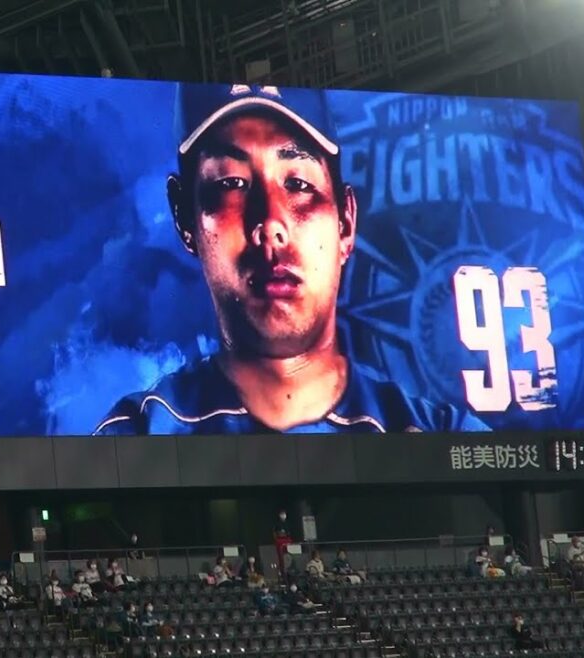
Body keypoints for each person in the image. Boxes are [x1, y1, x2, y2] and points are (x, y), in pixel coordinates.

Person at [92, 83, 488, 437]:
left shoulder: (437, 433)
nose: (270, 224)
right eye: (231, 183)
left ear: (346, 222)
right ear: (185, 219)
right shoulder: (139, 432)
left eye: (298, 184)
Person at [273, 510, 292, 581]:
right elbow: (275, 532)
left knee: (289, 557)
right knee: (281, 558)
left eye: (284, 514)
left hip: (287, 540)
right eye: (282, 514)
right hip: (280, 541)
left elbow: (289, 533)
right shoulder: (277, 524)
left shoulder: (288, 524)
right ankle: (282, 573)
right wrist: (277, 537)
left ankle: (289, 572)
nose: (283, 515)